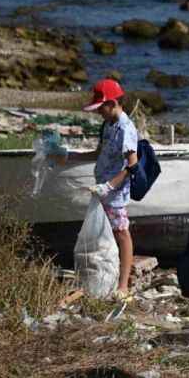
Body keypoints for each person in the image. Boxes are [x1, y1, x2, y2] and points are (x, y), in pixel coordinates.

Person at [62, 78, 139, 298]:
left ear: (113, 103)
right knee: (107, 233)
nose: (98, 113)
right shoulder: (108, 125)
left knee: (121, 232)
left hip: (114, 192)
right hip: (102, 189)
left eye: (101, 108)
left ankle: (123, 285)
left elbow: (132, 164)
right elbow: (98, 154)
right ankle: (107, 274)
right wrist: (69, 156)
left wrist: (109, 186)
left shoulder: (126, 128)